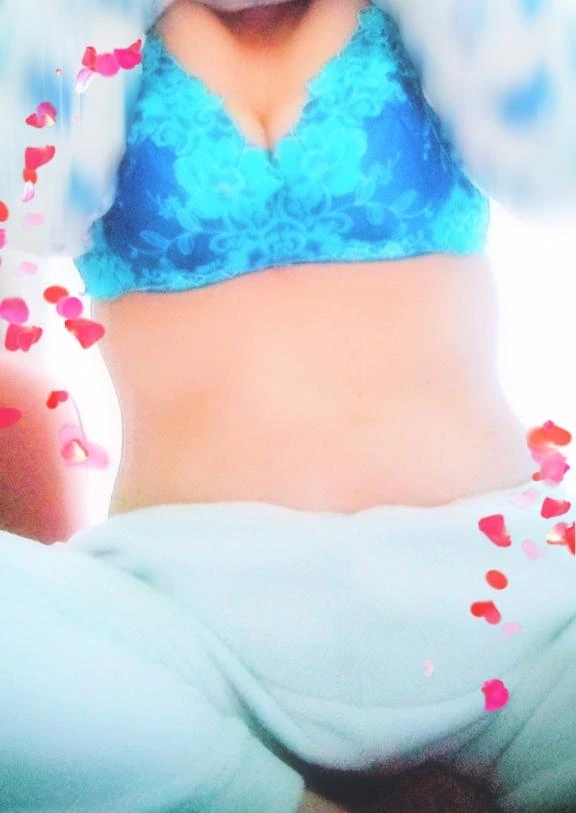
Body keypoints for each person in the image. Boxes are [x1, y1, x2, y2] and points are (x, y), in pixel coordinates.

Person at [0, 1, 575, 811]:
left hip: (509, 602)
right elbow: (26, 210)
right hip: (192, 615)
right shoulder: (75, 30)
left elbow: (555, 172)